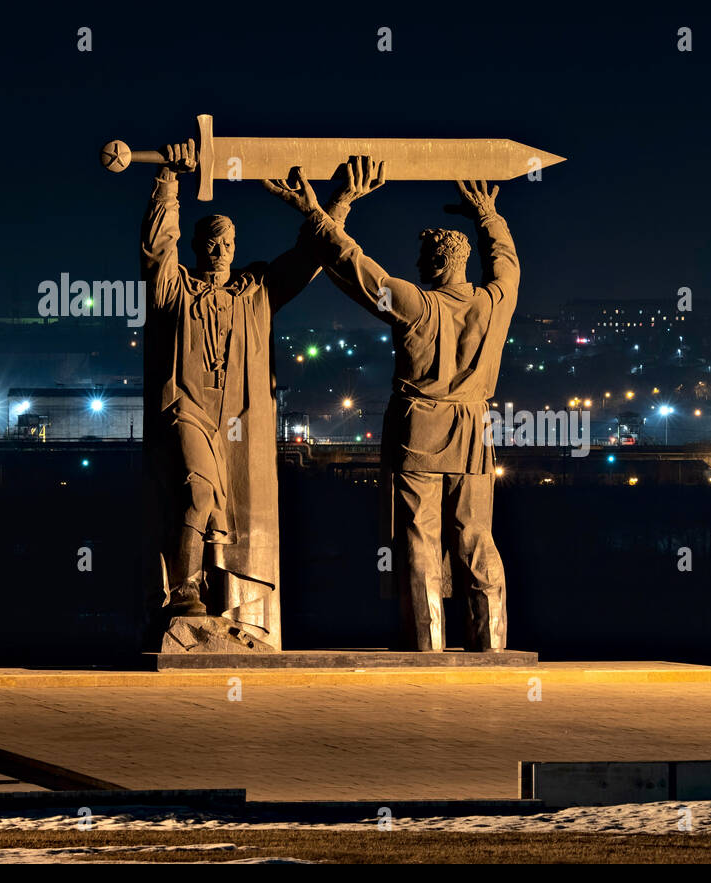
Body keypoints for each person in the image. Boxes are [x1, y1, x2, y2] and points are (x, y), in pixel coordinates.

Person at [144, 143, 381, 649]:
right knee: (198, 494)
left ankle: (225, 606)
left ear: (235, 247)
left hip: (236, 422)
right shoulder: (174, 291)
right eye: (209, 240)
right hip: (186, 409)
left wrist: (338, 203)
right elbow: (155, 250)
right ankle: (183, 595)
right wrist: (169, 180)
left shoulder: (256, 291)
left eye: (226, 241)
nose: (218, 249)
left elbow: (308, 257)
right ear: (196, 246)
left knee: (235, 515)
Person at [271, 168, 516, 652]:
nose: (420, 265)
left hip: (420, 431)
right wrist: (489, 216)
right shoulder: (494, 303)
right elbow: (507, 265)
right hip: (472, 431)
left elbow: (354, 267)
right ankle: (492, 642)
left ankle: (427, 643)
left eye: (426, 258)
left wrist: (317, 212)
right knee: (476, 536)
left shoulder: (417, 305)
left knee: (420, 538)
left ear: (441, 261)